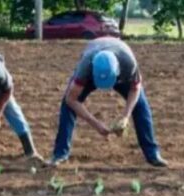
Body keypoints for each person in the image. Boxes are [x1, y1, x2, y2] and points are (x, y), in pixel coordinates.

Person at [49, 37, 167, 167]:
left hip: (120, 68)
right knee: (67, 106)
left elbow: (135, 89)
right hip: (92, 61)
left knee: (140, 105)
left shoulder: (128, 64)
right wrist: (96, 124)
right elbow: (71, 99)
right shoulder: (85, 67)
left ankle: (152, 154)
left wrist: (126, 117)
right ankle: (60, 154)